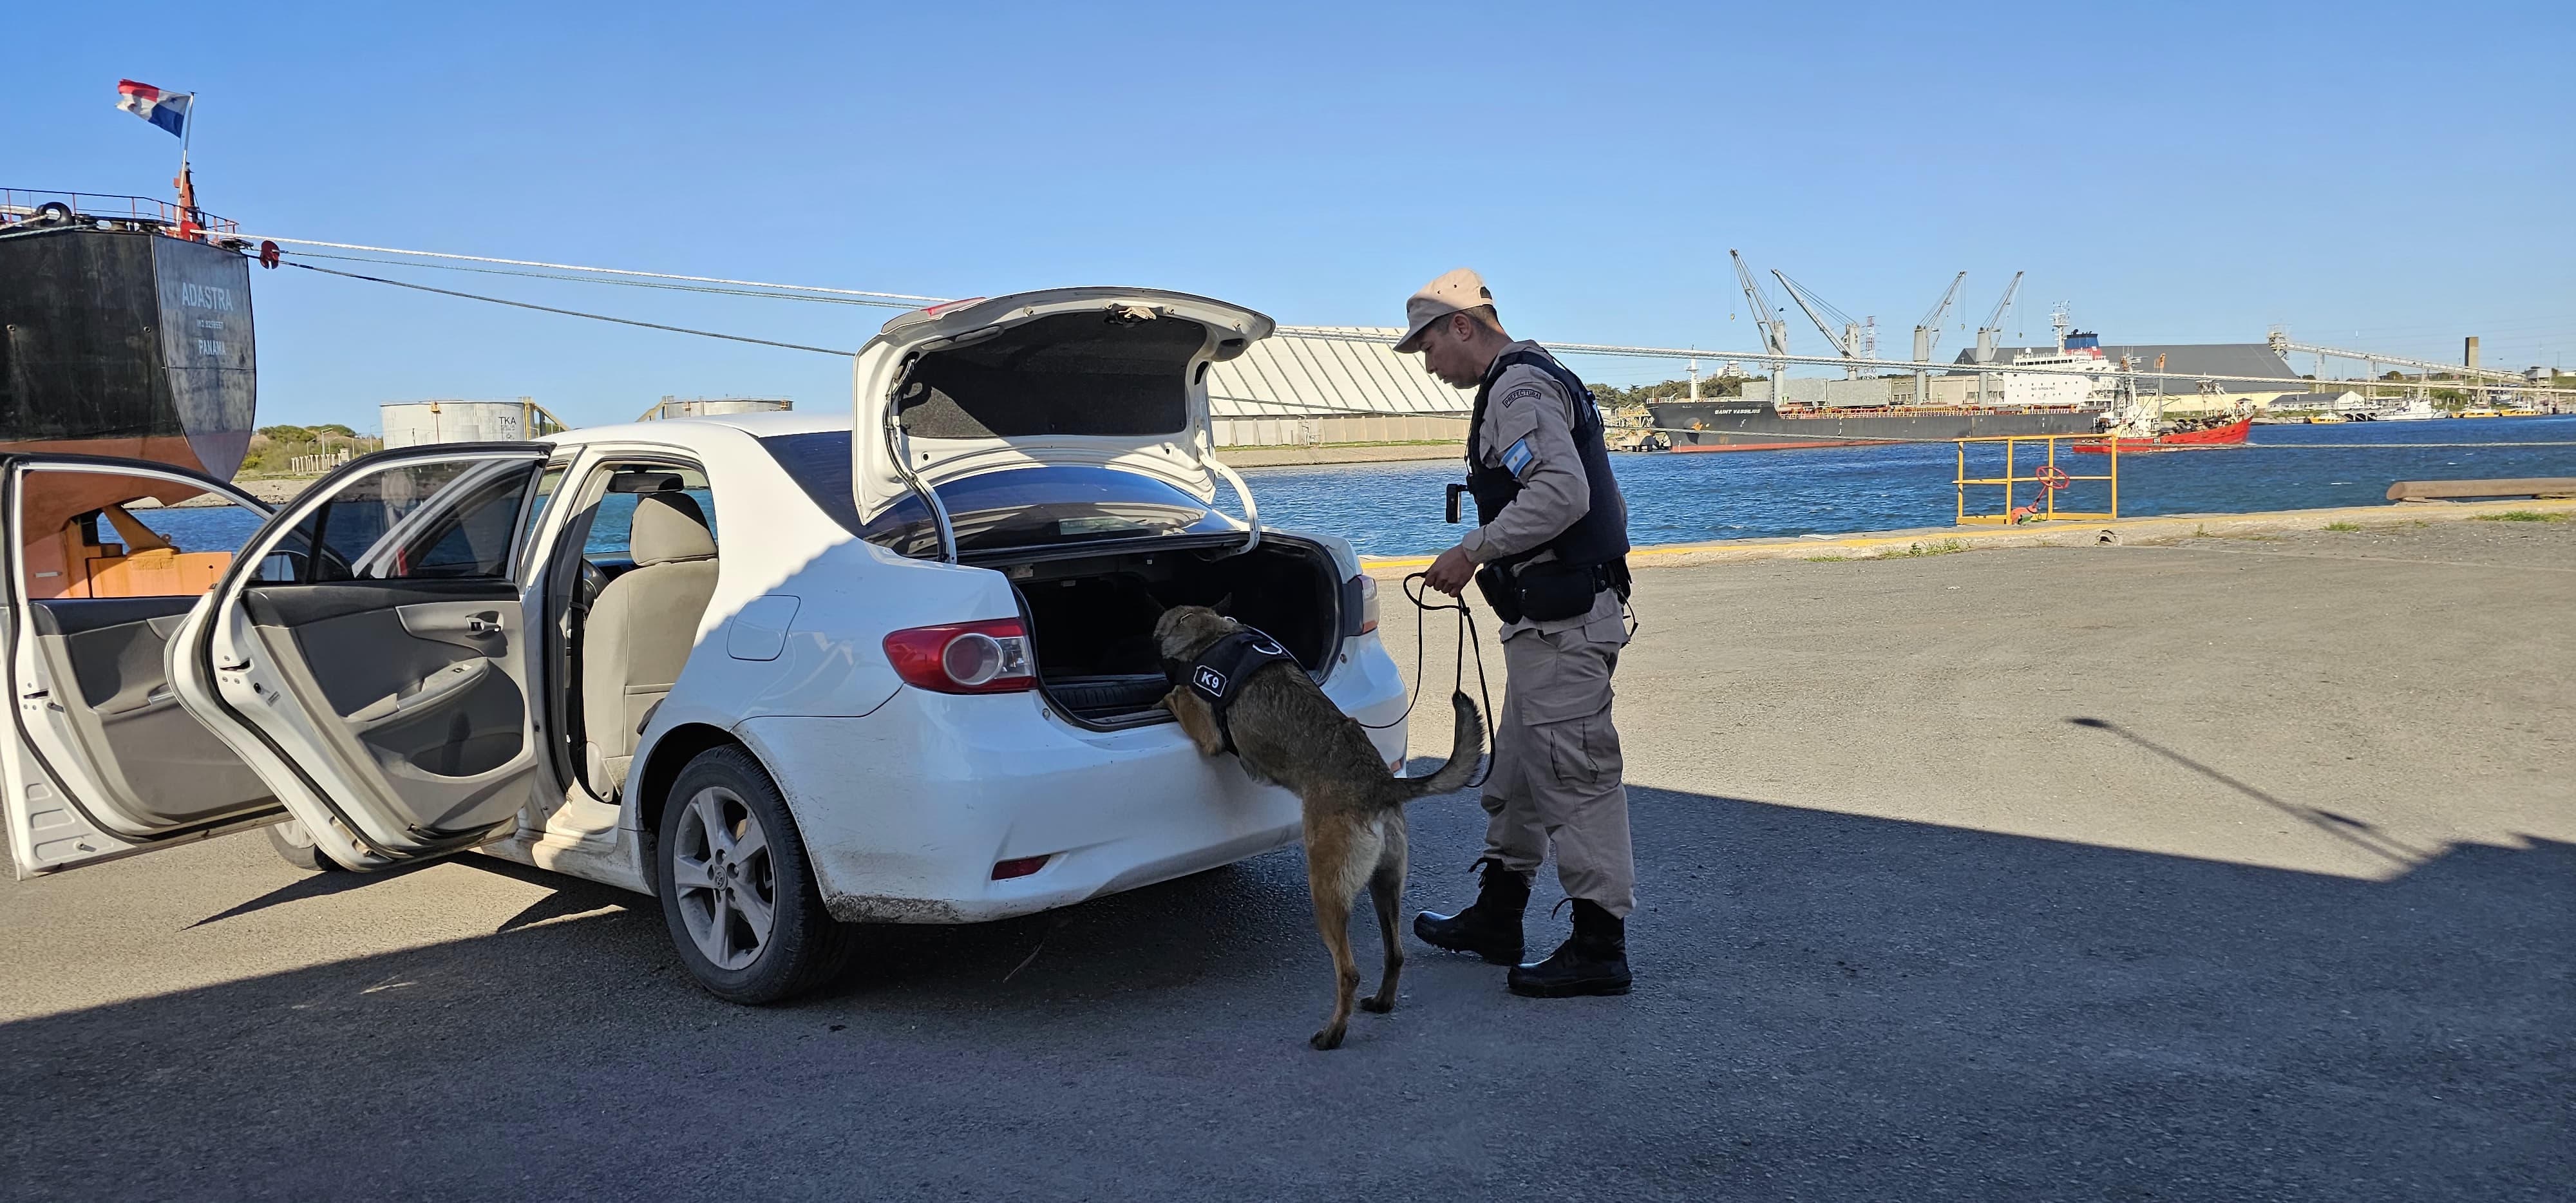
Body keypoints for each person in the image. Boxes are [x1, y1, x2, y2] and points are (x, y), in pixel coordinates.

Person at [1394, 268, 1636, 998]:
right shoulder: (1526, 379)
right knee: (1523, 773)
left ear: (1463, 325)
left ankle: (1600, 948)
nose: (1432, 368)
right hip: (1546, 622)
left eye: (1430, 347)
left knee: (1576, 776)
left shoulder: (1516, 389)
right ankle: (1498, 915)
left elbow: (1562, 492)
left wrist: (1472, 551)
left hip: (1563, 624)